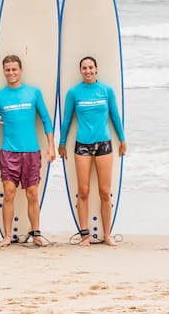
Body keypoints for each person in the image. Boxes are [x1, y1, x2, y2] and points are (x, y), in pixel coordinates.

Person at [0, 55, 55, 247]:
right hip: (9, 152)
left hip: (31, 151)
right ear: (4, 71)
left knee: (32, 193)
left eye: (14, 69)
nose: (11, 73)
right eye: (7, 70)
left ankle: (36, 234)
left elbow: (46, 119)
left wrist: (51, 145)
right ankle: (7, 236)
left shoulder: (33, 93)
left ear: (20, 70)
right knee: (8, 193)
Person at [58, 56, 127, 247]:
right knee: (83, 191)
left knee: (105, 192)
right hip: (82, 145)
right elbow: (67, 120)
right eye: (84, 68)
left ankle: (107, 234)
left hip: (104, 144)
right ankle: (84, 235)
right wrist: (62, 143)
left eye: (91, 67)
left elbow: (115, 116)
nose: (88, 71)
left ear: (96, 69)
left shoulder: (106, 90)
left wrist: (122, 139)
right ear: (80, 71)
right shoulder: (74, 92)